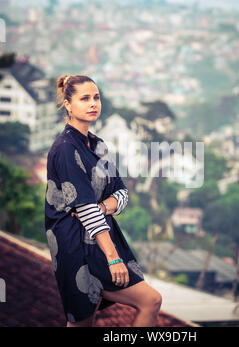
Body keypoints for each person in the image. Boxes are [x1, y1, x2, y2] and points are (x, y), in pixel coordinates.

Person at [45, 74, 162, 327]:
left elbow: (121, 194)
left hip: (97, 238)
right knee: (148, 301)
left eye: (96, 97)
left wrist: (101, 206)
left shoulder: (97, 145)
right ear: (68, 104)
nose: (92, 103)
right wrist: (114, 258)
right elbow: (83, 207)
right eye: (84, 98)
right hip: (77, 245)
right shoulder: (66, 148)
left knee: (85, 321)